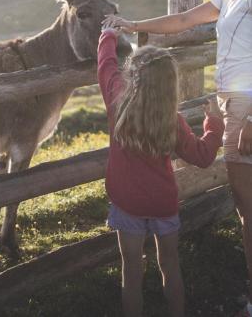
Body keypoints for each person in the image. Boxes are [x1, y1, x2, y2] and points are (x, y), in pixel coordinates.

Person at [104, 0, 252, 316]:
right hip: (232, 104)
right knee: (245, 207)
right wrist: (132, 25)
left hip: (248, 108)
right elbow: (185, 18)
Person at [98, 28, 224, 317]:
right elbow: (203, 157)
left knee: (131, 271)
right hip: (162, 204)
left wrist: (108, 34)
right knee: (170, 264)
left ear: (132, 76)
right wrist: (214, 123)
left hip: (127, 202)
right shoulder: (172, 120)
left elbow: (105, 65)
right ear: (170, 85)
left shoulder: (117, 99)